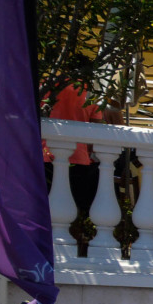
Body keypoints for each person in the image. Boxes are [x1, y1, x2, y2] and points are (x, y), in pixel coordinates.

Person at [41, 85, 103, 213]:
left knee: (45, 206)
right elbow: (96, 127)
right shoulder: (91, 92)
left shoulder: (47, 86)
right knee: (75, 206)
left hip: (47, 154)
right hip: (79, 156)